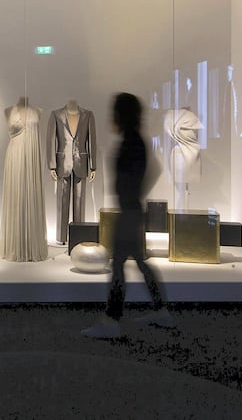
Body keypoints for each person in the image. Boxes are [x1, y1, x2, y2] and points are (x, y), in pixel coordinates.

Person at [82, 93, 172, 339]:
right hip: (132, 210)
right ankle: (160, 310)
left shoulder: (132, 141)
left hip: (129, 212)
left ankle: (112, 319)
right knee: (138, 262)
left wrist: (131, 194)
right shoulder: (135, 139)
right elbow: (151, 170)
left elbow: (139, 174)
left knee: (120, 266)